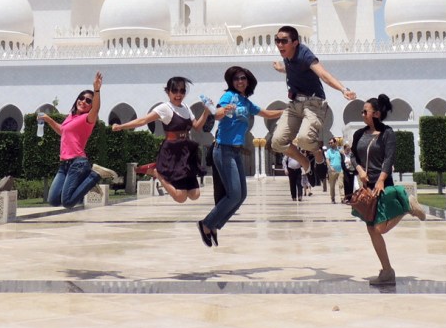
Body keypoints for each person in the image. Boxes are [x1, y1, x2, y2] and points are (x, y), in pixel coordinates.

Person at [196, 66, 283, 246]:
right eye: (236, 79)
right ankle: (206, 223)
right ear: (231, 82)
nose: (240, 81)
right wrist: (224, 110)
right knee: (234, 194)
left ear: (248, 81)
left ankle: (213, 224)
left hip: (235, 152)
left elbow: (266, 113)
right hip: (223, 150)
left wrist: (287, 112)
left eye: (242, 78)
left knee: (241, 195)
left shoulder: (246, 102)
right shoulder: (229, 96)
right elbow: (217, 114)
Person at [350, 94, 427, 286]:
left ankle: (406, 207)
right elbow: (353, 156)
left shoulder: (387, 134)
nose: (362, 114)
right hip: (366, 186)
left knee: (379, 228)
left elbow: (389, 158)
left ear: (376, 113)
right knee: (372, 230)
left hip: (381, 184)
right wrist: (359, 170)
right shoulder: (359, 134)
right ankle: (387, 271)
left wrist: (382, 180)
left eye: (365, 111)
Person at [269, 25, 356, 175]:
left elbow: (323, 74)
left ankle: (317, 152)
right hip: (295, 104)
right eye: (277, 40)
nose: (279, 44)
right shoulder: (288, 57)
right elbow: (294, 69)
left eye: (284, 41)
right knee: (277, 141)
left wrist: (343, 89)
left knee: (304, 139)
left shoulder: (305, 55)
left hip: (313, 104)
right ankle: (303, 161)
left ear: (295, 43)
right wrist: (281, 69)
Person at [112, 76, 212, 203]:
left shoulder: (186, 108)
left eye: (182, 91)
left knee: (195, 195)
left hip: (187, 152)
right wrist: (121, 126)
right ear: (168, 92)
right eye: (175, 90)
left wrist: (206, 111)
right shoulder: (165, 108)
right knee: (180, 197)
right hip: (173, 151)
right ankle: (157, 173)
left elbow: (197, 126)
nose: (178, 94)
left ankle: (157, 171)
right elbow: (143, 120)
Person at [40, 72, 109, 207]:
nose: (83, 102)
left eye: (88, 101)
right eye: (81, 98)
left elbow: (96, 108)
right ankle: (87, 183)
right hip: (64, 164)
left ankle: (93, 176)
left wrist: (96, 90)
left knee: (68, 202)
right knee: (53, 200)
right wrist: (48, 120)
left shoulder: (88, 118)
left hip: (78, 162)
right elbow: (62, 131)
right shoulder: (70, 117)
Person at [325, 138, 344, 204]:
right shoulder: (328, 151)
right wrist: (330, 167)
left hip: (340, 170)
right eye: (329, 143)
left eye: (331, 142)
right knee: (332, 186)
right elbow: (327, 160)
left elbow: (345, 155)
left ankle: (342, 198)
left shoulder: (339, 150)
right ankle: (332, 198)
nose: (330, 144)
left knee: (341, 185)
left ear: (335, 143)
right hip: (332, 171)